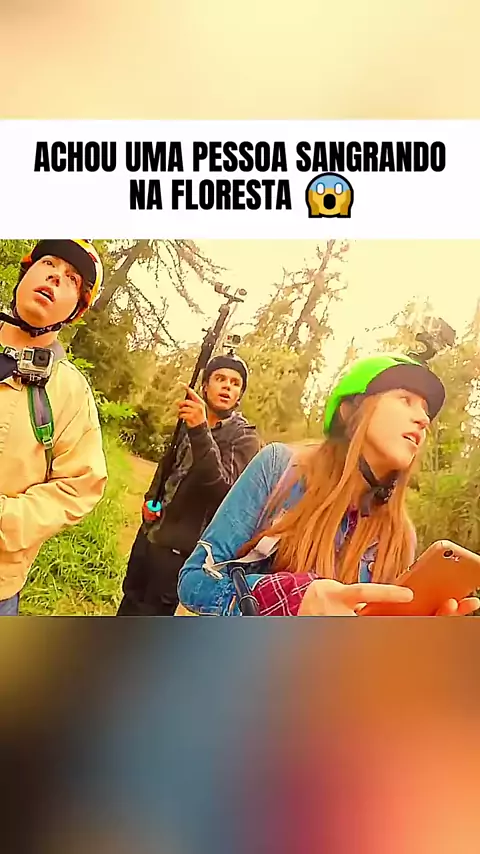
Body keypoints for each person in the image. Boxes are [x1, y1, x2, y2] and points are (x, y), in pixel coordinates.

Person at [177, 353, 480, 617]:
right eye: (406, 400)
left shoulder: (401, 536)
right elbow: (195, 581)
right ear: (350, 410)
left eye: (426, 411)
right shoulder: (279, 468)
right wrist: (288, 599)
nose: (424, 420)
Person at [0, 239, 108, 616]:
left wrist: (4, 520)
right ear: (25, 273)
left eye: (72, 279)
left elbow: (79, 487)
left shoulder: (69, 391)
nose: (55, 277)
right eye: (48, 263)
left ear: (76, 310)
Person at [117, 352, 262, 616]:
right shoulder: (190, 420)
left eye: (235, 383)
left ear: (239, 395)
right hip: (151, 533)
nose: (227, 386)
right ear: (205, 386)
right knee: (130, 599)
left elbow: (223, 489)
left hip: (180, 549)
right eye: (220, 379)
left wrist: (200, 430)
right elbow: (168, 464)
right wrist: (151, 499)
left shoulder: (244, 437)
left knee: (152, 615)